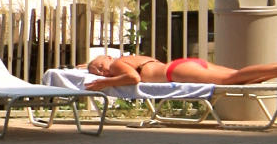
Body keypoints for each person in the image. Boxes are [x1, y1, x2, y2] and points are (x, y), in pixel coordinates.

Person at [84, 51, 277, 89]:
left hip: (174, 72)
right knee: (239, 78)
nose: (103, 73)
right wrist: (88, 67)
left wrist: (104, 83)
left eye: (101, 67)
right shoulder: (132, 58)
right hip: (182, 65)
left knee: (231, 78)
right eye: (97, 73)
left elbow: (133, 78)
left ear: (108, 57)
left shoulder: (117, 63)